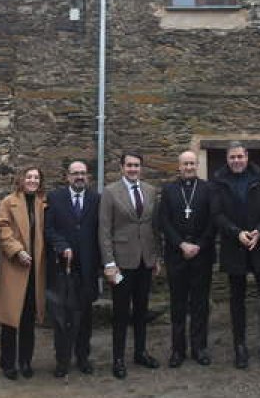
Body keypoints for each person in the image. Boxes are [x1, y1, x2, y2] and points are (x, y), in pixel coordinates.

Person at [209, 142, 260, 369]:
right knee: (237, 299)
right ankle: (240, 347)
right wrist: (236, 233)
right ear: (227, 159)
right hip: (234, 245)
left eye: (240, 157)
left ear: (247, 157)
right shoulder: (218, 182)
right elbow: (216, 214)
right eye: (232, 157)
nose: (236, 161)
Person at [98, 151, 161, 379]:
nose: (133, 169)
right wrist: (109, 263)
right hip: (121, 263)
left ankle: (140, 352)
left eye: (137, 165)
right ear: (122, 167)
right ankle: (118, 358)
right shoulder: (110, 192)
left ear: (141, 168)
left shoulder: (151, 191)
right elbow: (104, 231)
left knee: (142, 310)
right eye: (129, 165)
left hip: (145, 262)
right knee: (121, 313)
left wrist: (155, 259)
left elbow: (154, 229)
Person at [156, 150, 214, 367]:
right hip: (176, 255)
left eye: (192, 163)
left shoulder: (208, 189)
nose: (189, 167)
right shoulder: (169, 190)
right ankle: (178, 350)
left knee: (200, 304)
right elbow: (164, 221)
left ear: (196, 165)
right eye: (185, 164)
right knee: (178, 304)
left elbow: (213, 221)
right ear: (178, 167)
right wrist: (181, 244)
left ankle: (199, 348)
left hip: (202, 254)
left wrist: (199, 245)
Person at [43, 160, 100, 379]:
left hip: (87, 268)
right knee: (61, 318)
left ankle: (83, 357)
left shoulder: (96, 199)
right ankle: (62, 360)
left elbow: (100, 231)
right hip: (62, 268)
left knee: (85, 317)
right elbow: (48, 229)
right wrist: (62, 246)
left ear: (88, 177)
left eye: (83, 173)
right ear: (67, 176)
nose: (79, 177)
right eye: (75, 173)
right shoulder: (55, 198)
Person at [0, 167, 47, 380]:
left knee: (28, 317)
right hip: (15, 266)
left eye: (36, 177)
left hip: (36, 268)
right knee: (10, 318)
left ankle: (25, 361)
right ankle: (7, 362)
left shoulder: (43, 203)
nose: (32, 180)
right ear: (21, 180)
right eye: (29, 177)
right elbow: (2, 229)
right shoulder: (8, 202)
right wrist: (17, 251)